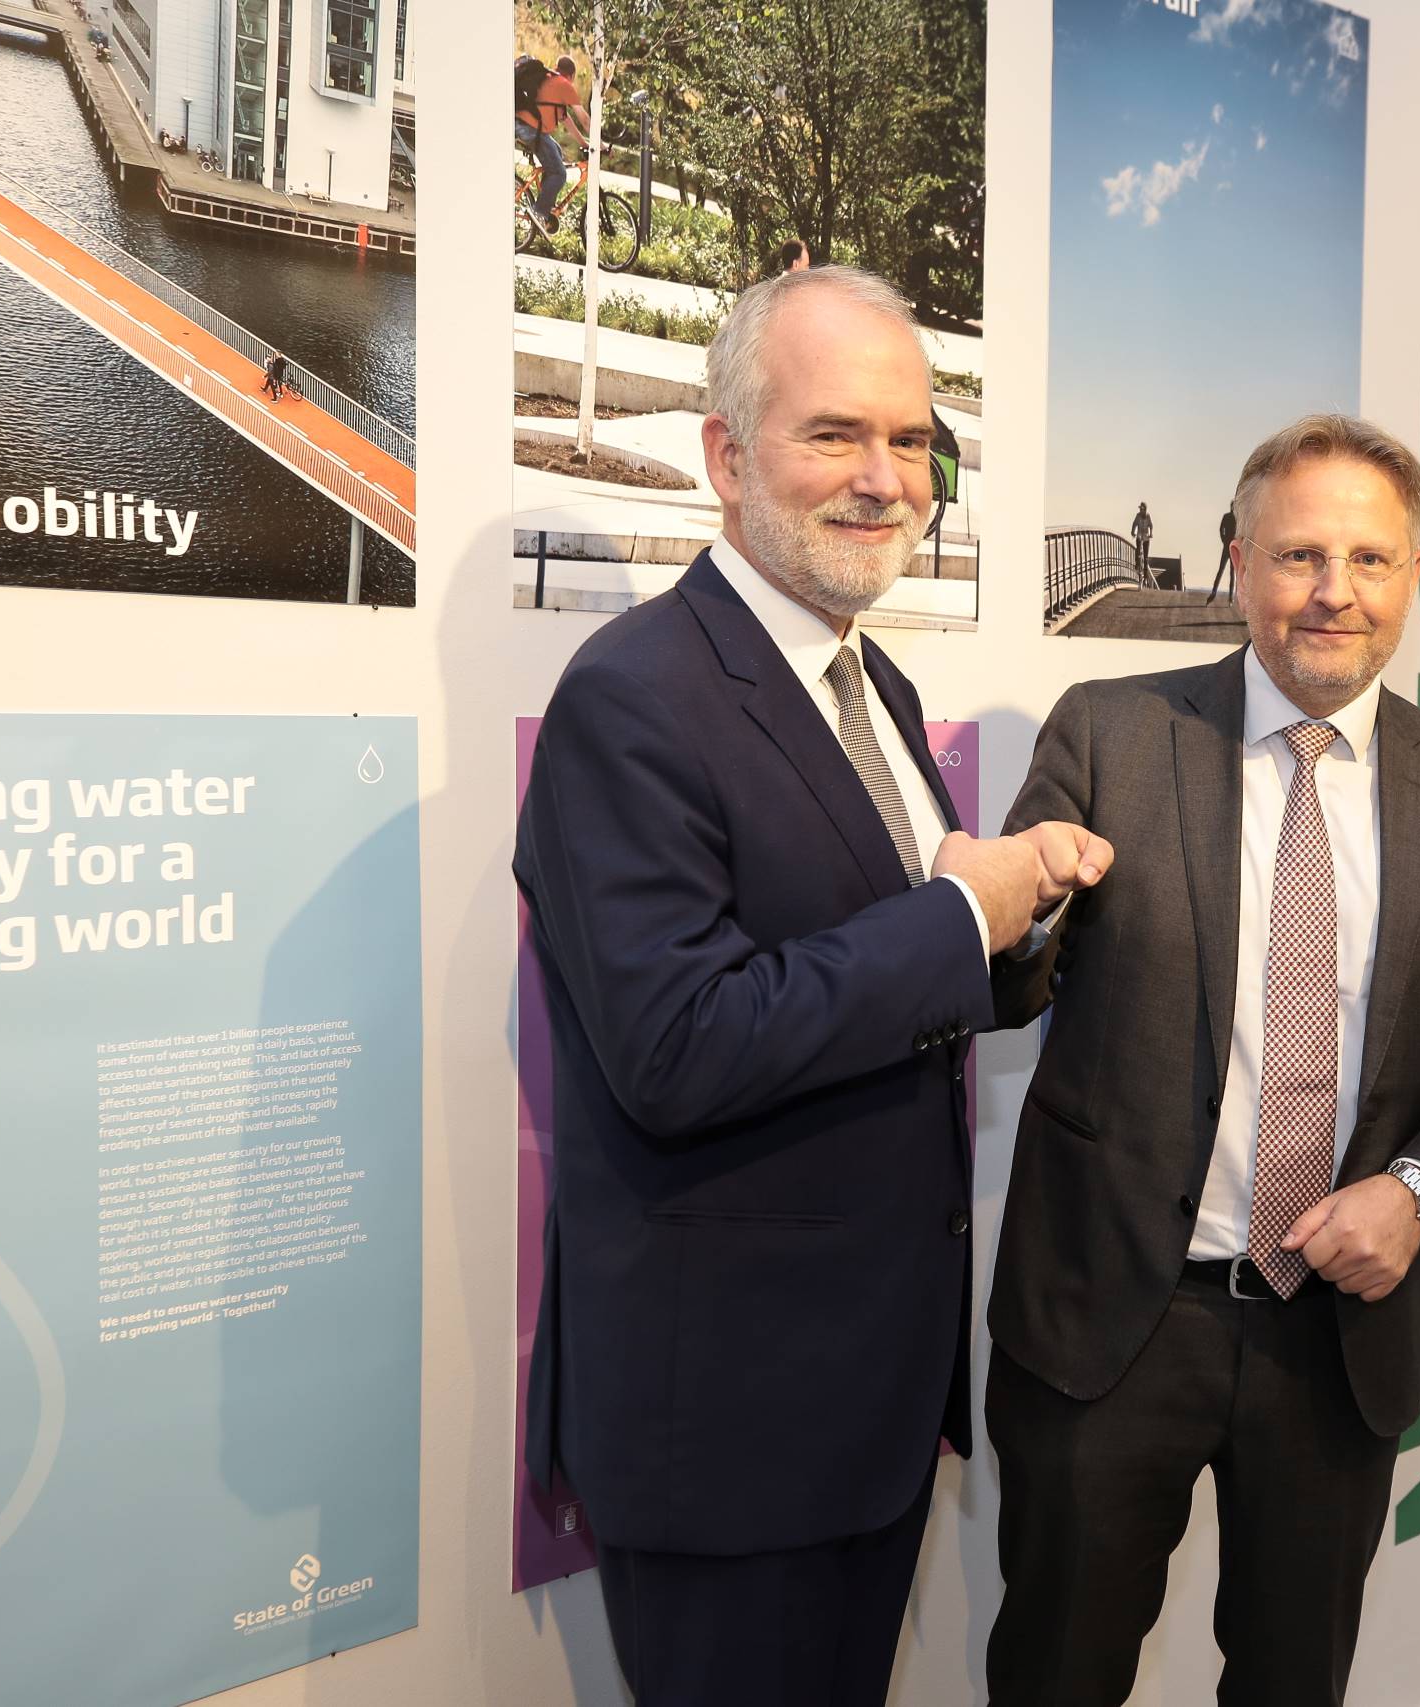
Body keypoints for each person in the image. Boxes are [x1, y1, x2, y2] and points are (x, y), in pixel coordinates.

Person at [516, 264, 1107, 1706]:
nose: (884, 479)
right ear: (726, 457)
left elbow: (887, 979)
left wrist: (1019, 932)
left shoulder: (870, 680)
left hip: (870, 1401)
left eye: (910, 440)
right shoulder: (630, 696)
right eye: (835, 433)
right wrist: (959, 913)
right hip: (729, 1426)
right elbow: (678, 1044)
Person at [982, 413, 1420, 1707]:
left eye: (1369, 559)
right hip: (1112, 1324)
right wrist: (1009, 908)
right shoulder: (1110, 733)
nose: (1333, 591)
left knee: (1293, 1680)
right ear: (1239, 562)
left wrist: (1416, 1193)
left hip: (1337, 1336)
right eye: (1300, 554)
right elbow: (1006, 991)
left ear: (1413, 575)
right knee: (1056, 1673)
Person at [512, 53, 586, 233]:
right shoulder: (564, 85)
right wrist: (601, 146)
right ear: (572, 75)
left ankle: (546, 205)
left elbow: (566, 119)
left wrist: (584, 143)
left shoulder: (549, 78)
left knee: (557, 152)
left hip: (523, 125)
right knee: (559, 174)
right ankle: (539, 212)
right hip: (529, 129)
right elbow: (584, 120)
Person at [1206, 505, 1238, 604]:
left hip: (1228, 546)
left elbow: (1221, 530)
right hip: (1231, 547)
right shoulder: (1236, 518)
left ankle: (1216, 593)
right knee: (1230, 573)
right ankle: (1229, 597)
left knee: (1223, 571)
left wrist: (1224, 540)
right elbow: (1222, 529)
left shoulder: (1229, 516)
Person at [1130, 500, 1154, 581]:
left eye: (1142, 509)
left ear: (1145, 509)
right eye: (1140, 509)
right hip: (1140, 534)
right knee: (1138, 549)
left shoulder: (1148, 516)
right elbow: (1134, 524)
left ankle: (1146, 576)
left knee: (1146, 557)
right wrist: (1132, 532)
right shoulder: (1138, 516)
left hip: (1146, 536)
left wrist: (1151, 533)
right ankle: (1137, 564)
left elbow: (1151, 525)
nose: (1140, 510)